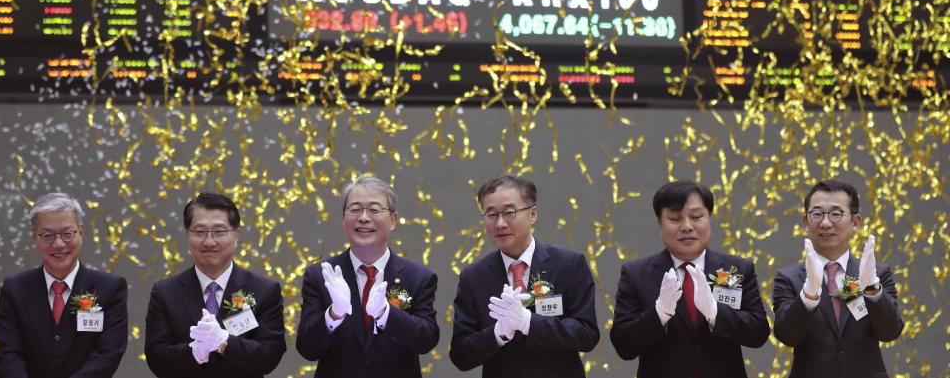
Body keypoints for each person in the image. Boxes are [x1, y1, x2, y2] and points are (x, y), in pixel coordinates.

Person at [610, 180, 769, 377]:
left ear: (709, 217)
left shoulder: (736, 270)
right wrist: (659, 314)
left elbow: (758, 333)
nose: (687, 227)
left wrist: (715, 312)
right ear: (660, 223)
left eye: (696, 217)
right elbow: (623, 345)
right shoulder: (635, 274)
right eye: (675, 219)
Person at [449, 175, 599, 377]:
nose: (500, 223)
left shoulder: (569, 264)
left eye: (509, 213)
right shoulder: (474, 276)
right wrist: (498, 333)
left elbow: (586, 334)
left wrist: (529, 322)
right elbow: (461, 355)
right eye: (491, 215)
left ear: (532, 214)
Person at [296, 175, 439, 377]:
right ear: (343, 218)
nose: (363, 217)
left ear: (393, 220)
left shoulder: (418, 277)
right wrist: (334, 314)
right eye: (355, 209)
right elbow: (307, 348)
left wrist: (386, 313)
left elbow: (427, 340)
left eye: (373, 209)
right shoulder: (321, 275)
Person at [145, 192, 286, 377]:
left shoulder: (263, 290)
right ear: (187, 234)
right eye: (199, 231)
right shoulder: (164, 292)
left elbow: (270, 354)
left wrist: (225, 341)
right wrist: (195, 352)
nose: (209, 241)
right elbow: (156, 358)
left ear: (236, 235)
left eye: (219, 232)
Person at [772, 178, 903, 378]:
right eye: (817, 214)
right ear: (806, 221)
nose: (825, 223)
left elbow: (890, 332)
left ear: (855, 222)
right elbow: (787, 336)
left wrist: (872, 290)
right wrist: (809, 294)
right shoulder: (789, 278)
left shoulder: (876, 274)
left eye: (836, 213)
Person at [0, 192, 128, 378]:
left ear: (80, 232)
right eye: (47, 235)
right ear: (34, 237)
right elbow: (9, 355)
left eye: (67, 234)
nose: (58, 244)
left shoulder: (109, 288)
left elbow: (108, 354)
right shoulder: (14, 289)